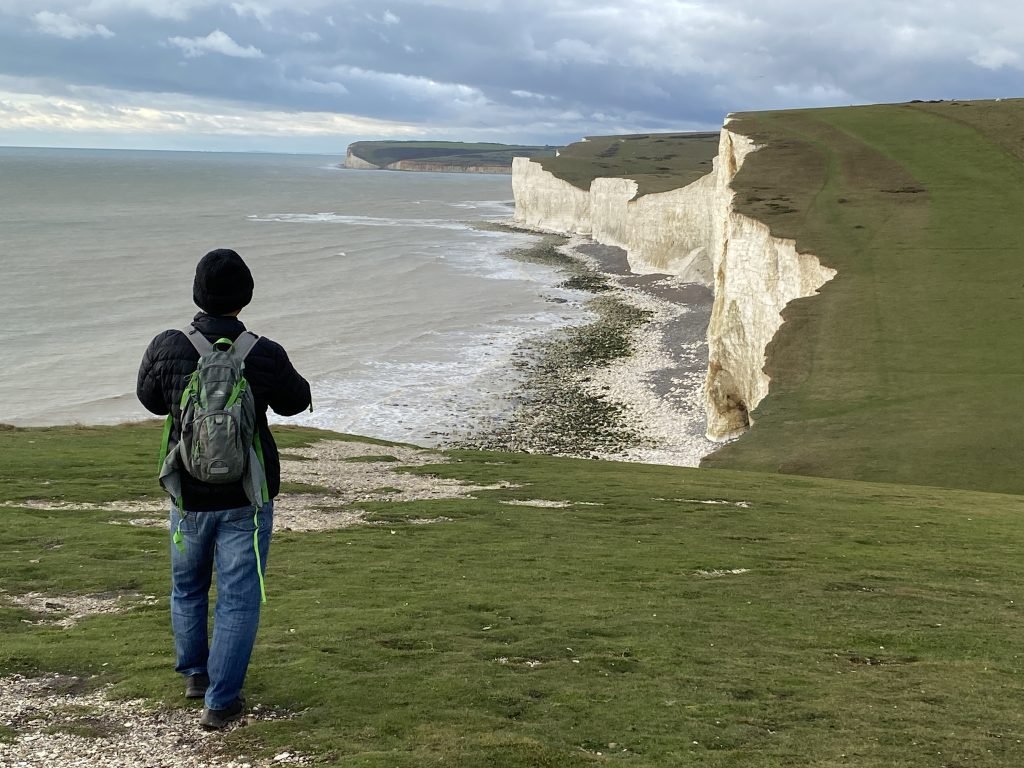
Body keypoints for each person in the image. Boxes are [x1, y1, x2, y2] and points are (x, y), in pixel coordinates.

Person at [137, 248, 311, 730]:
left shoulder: (167, 345)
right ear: (246, 296)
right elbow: (297, 402)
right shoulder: (265, 352)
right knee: (238, 596)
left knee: (187, 586)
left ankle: (195, 675)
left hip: (187, 496)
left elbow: (150, 401)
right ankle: (221, 701)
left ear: (197, 292)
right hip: (247, 496)